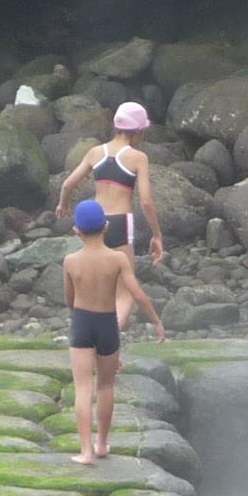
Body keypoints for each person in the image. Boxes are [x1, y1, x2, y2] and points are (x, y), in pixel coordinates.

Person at [63, 199, 165, 465]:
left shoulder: (71, 261)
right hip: (108, 324)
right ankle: (102, 443)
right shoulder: (118, 258)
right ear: (106, 227)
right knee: (106, 386)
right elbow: (137, 294)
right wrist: (156, 321)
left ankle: (85, 451)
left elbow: (69, 299)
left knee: (83, 388)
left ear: (76, 231)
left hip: (82, 323)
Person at [55, 101, 164, 331]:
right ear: (138, 131)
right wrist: (157, 235)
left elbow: (67, 184)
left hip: (95, 222)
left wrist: (64, 205)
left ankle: (91, 334)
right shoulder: (138, 157)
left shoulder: (95, 152)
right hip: (120, 223)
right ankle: (107, 340)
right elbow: (146, 201)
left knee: (98, 286)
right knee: (124, 293)